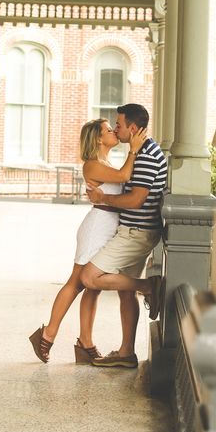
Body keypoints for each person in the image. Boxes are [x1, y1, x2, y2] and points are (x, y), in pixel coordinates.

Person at [29, 117, 147, 364]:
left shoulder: (106, 161)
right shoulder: (92, 165)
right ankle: (47, 335)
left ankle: (86, 342)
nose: (114, 131)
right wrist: (133, 149)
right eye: (107, 129)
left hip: (108, 226)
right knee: (76, 282)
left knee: (93, 286)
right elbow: (125, 176)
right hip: (97, 227)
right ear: (97, 138)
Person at [80, 103, 167, 369]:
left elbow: (136, 200)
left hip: (135, 233)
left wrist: (102, 197)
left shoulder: (147, 156)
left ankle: (149, 286)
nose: (116, 130)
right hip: (133, 230)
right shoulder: (140, 151)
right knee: (124, 292)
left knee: (89, 277)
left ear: (132, 127)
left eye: (118, 125)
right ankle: (126, 353)